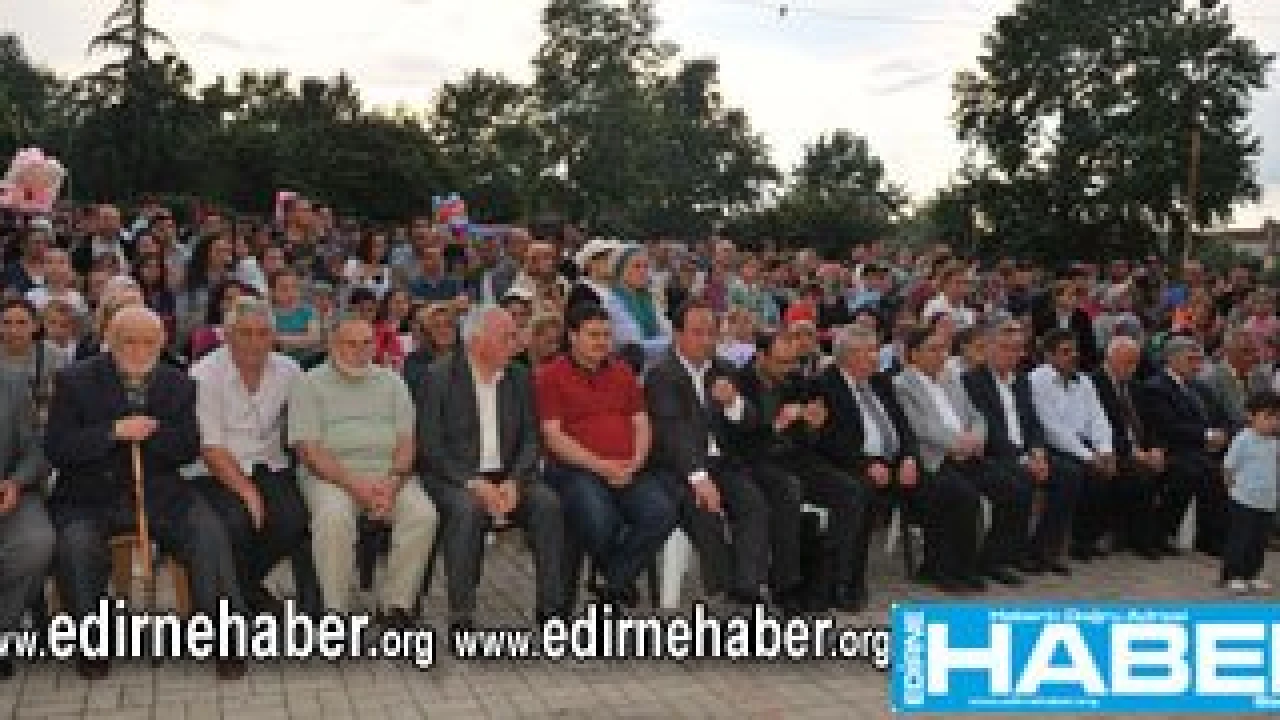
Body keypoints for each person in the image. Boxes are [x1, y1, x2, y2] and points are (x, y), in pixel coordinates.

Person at [45, 307, 246, 680]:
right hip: (89, 495)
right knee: (75, 545)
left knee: (208, 533)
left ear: (162, 342)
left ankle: (225, 636)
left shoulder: (178, 383)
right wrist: (112, 432)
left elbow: (187, 448)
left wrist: (153, 432)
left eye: (148, 342)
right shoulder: (75, 380)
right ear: (110, 340)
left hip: (160, 492)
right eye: (129, 342)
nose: (139, 350)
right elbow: (58, 447)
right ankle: (92, 641)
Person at [419, 307, 564, 631]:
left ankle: (551, 610)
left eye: (515, 336)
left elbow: (531, 439)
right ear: (476, 341)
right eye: (507, 337)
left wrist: (515, 481)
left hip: (508, 476)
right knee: (468, 510)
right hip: (455, 478)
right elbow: (430, 447)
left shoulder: (519, 377)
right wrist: (472, 482)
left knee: (548, 504)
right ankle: (462, 615)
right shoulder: (439, 377)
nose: (516, 343)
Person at [288, 313, 437, 625]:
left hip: (388, 476)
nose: (360, 351)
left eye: (367, 343)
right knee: (333, 518)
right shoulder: (308, 383)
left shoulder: (392, 382)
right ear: (332, 345)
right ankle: (336, 610)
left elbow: (407, 441)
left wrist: (392, 483)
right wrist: (356, 486)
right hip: (330, 477)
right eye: (351, 344)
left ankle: (396, 606)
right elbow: (310, 452)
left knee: (423, 515)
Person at [535, 304, 678, 607]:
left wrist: (637, 461)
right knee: (599, 518)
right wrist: (601, 466)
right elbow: (553, 436)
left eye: (606, 335)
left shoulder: (622, 372)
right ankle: (619, 580)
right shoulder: (550, 376)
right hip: (574, 469)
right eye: (594, 335)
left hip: (627, 466)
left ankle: (612, 579)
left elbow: (641, 423)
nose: (602, 342)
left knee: (662, 512)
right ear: (572, 336)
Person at [189, 296, 323, 615]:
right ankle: (242, 602)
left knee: (292, 520)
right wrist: (248, 493)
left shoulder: (289, 370)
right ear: (228, 335)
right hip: (215, 469)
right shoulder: (204, 375)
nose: (255, 342)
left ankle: (244, 589)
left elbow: (306, 424)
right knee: (236, 521)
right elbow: (210, 447)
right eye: (245, 333)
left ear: (273, 337)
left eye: (263, 333)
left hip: (269, 464)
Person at [645, 301, 770, 607]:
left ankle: (746, 588)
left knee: (753, 503)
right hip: (676, 467)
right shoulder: (661, 375)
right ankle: (724, 586)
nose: (706, 341)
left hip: (721, 463)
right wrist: (699, 478)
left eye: (712, 333)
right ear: (678, 335)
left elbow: (752, 422)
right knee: (704, 511)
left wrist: (733, 404)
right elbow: (673, 434)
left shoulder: (724, 369)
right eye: (697, 333)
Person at [735, 328, 859, 611]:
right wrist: (776, 425)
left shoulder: (795, 382)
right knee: (787, 489)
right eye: (781, 362)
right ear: (761, 357)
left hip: (794, 457)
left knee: (849, 490)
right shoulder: (740, 384)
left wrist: (813, 426)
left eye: (793, 361)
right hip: (755, 460)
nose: (788, 368)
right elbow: (739, 441)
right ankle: (785, 585)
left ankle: (832, 581)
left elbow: (805, 437)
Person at [814, 325, 919, 610]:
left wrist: (909, 457)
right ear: (848, 355)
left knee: (947, 483)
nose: (876, 357)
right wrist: (866, 463)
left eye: (875, 350)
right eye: (870, 351)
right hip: (850, 463)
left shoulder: (881, 382)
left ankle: (943, 566)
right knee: (860, 493)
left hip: (893, 462)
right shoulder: (825, 384)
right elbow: (827, 440)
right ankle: (845, 580)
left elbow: (903, 426)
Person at [964, 320, 1077, 580]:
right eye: (1005, 348)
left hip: (1025, 454)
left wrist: (1038, 451)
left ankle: (1041, 550)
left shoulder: (1022, 381)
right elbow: (990, 430)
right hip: (992, 456)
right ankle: (996, 558)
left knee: (1069, 474)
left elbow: (1033, 422)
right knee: (1019, 480)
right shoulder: (972, 381)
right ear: (988, 348)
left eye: (1017, 349)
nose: (1012, 355)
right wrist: (1024, 459)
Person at [893, 325, 987, 592]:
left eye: (943, 349)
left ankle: (975, 564)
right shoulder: (902, 385)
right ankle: (943, 569)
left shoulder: (951, 378)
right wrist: (958, 444)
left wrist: (975, 438)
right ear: (913, 354)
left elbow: (976, 415)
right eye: (933, 350)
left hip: (967, 453)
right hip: (931, 458)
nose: (941, 355)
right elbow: (921, 428)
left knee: (1009, 482)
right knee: (962, 495)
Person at [1139, 336, 1231, 557]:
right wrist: (1207, 436)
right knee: (1195, 470)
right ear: (1172, 359)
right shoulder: (1156, 387)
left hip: (1204, 448)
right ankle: (1162, 532)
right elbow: (1168, 425)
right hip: (1173, 447)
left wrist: (1223, 435)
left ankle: (1212, 537)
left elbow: (1222, 417)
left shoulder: (1200, 387)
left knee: (1220, 468)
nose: (1197, 365)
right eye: (1191, 359)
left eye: (1199, 360)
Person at [1028, 328, 1114, 565]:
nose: (1073, 356)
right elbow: (1051, 428)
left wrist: (1105, 450)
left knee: (1103, 473)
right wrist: (1088, 456)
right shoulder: (1037, 380)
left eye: (1075, 350)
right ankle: (1043, 548)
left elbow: (1098, 418)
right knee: (1070, 474)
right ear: (1049, 355)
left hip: (1079, 445)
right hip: (1048, 445)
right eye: (1065, 352)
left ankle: (1083, 540)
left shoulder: (1084, 380)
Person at [0, 363, 54, 681]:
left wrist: (16, 482)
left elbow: (36, 451)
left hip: (10, 493)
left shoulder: (12, 383)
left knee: (36, 542)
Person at [1092, 335, 1167, 559]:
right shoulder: (1094, 383)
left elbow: (1151, 423)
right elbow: (1099, 427)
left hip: (1139, 448)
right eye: (1127, 362)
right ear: (1110, 358)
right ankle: (1129, 535)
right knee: (1138, 473)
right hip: (1109, 447)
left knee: (1177, 469)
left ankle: (1156, 534)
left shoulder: (1136, 386)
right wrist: (1134, 452)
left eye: (1135, 363)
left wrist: (1156, 448)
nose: (1132, 368)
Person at [1220, 391, 1280, 594]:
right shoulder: (1243, 439)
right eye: (1268, 416)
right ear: (1251, 416)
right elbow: (1228, 467)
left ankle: (1252, 575)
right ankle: (1232, 575)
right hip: (1243, 500)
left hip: (1267, 502)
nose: (1273, 422)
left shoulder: (1275, 442)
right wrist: (1231, 490)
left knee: (1259, 542)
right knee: (1240, 540)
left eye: (1277, 417)